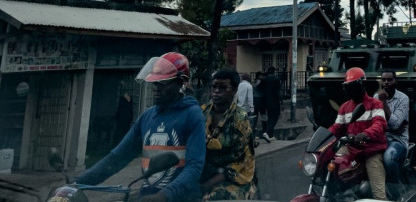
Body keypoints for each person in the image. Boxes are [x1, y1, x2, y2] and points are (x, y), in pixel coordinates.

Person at [76, 52, 206, 202]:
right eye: (155, 83)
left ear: (180, 82)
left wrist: (164, 195)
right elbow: (117, 157)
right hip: (148, 197)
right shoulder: (148, 116)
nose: (156, 88)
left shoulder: (192, 114)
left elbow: (194, 167)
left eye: (163, 83)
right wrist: (78, 183)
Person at [329, 67, 388, 200]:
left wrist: (365, 134)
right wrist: (324, 137)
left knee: (379, 194)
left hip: (371, 150)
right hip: (351, 148)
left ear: (363, 85)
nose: (351, 90)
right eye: (349, 87)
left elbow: (380, 124)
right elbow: (336, 127)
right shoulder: (345, 107)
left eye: (354, 86)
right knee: (332, 164)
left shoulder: (375, 104)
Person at [200, 68, 257, 200]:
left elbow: (239, 164)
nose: (216, 91)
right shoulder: (202, 112)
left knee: (213, 198)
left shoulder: (240, 119)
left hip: (235, 179)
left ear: (234, 90)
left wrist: (207, 185)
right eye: (214, 87)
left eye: (223, 87)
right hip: (205, 174)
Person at [374, 70, 409, 199]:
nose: (386, 83)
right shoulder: (375, 97)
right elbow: (373, 120)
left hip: (397, 140)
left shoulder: (403, 98)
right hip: (378, 138)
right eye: (383, 80)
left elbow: (394, 124)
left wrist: (383, 102)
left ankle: (396, 194)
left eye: (390, 80)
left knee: (389, 158)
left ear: (396, 81)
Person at [262, 66, 280, 141]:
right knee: (275, 117)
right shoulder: (276, 79)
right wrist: (281, 102)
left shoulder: (264, 80)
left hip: (266, 102)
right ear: (273, 72)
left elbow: (259, 88)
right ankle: (267, 132)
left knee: (270, 117)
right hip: (275, 101)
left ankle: (270, 135)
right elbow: (278, 92)